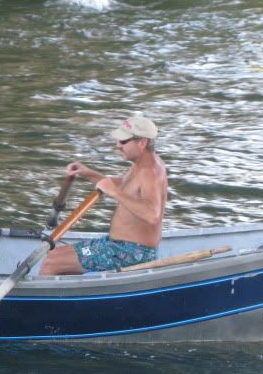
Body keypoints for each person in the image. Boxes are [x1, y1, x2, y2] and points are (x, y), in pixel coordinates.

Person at [38, 115, 168, 275]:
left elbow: (152, 215)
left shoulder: (151, 172)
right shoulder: (141, 164)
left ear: (142, 143)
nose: (118, 145)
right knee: (55, 254)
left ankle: (45, 300)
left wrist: (113, 192)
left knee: (52, 263)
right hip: (115, 246)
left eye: (123, 141)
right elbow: (128, 187)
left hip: (131, 254)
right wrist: (88, 173)